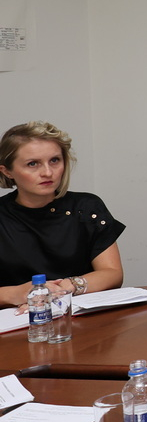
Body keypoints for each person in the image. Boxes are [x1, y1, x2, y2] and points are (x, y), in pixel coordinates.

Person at [0, 121, 125, 309]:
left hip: (78, 315)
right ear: (7, 171)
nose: (47, 172)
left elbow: (112, 273)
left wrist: (69, 286)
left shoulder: (86, 207)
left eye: (54, 160)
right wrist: (18, 293)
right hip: (17, 319)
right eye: (33, 164)